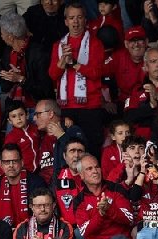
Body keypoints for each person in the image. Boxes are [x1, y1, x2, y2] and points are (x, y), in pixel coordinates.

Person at [49, 3, 107, 153]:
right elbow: (53, 75)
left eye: (79, 17)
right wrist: (63, 61)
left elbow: (96, 73)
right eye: (72, 18)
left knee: (91, 149)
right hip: (67, 107)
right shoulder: (58, 45)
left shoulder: (95, 43)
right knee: (68, 151)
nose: (75, 22)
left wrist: (74, 63)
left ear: (85, 20)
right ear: (65, 21)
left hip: (90, 107)